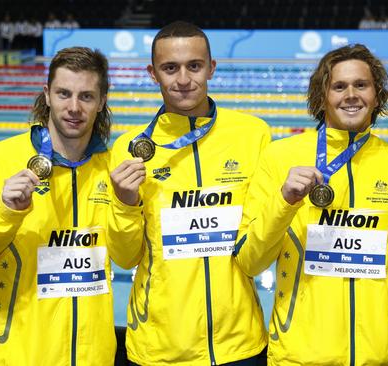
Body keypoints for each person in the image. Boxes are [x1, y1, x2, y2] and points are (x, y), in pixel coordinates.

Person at [234, 44, 388, 365]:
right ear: (322, 95)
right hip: (302, 355)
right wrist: (284, 201)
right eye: (339, 86)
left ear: (377, 93)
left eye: (361, 85)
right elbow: (249, 261)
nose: (351, 94)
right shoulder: (280, 158)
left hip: (381, 356)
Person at [108, 21, 270, 365]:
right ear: (153, 74)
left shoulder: (253, 135)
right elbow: (124, 258)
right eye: (170, 68)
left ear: (211, 67)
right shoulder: (129, 149)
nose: (183, 79)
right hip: (161, 347)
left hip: (240, 345)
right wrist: (124, 202)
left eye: (194, 66)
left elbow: (262, 242)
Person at [0, 47, 116, 365]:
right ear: (47, 95)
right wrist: (4, 212)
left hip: (92, 357)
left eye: (86, 96)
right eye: (64, 93)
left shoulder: (112, 170)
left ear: (102, 101)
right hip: (13, 354)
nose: (74, 107)